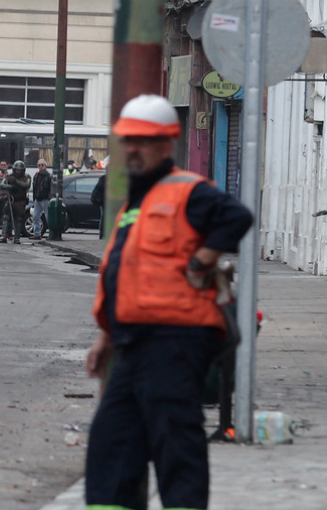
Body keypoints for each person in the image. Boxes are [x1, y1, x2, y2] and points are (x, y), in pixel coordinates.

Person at [84, 94, 253, 510]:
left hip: (178, 341)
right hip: (133, 343)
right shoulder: (135, 204)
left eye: (145, 140)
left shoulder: (186, 191)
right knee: (111, 446)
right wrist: (105, 335)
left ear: (167, 144)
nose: (134, 148)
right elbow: (126, 275)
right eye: (129, 140)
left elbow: (237, 217)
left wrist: (201, 261)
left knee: (176, 447)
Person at [0, 160, 31, 244]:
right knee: (6, 218)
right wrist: (10, 187)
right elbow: (2, 185)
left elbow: (27, 185)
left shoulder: (27, 177)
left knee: (19, 220)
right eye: (17, 170)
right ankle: (3, 236)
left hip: (20, 201)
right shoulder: (9, 176)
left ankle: (16, 237)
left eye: (20, 170)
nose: (18, 171)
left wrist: (16, 182)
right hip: (11, 200)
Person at [31, 159, 52, 240]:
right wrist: (34, 198)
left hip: (45, 199)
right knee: (36, 217)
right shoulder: (36, 176)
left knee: (48, 217)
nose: (40, 167)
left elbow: (51, 188)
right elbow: (34, 187)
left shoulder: (48, 176)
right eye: (39, 165)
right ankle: (37, 234)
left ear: (45, 166)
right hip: (38, 199)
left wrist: (49, 198)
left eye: (42, 165)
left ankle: (51, 234)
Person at [90, 173, 106, 240]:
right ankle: (103, 235)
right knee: (104, 218)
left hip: (107, 201)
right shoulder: (104, 179)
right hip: (105, 201)